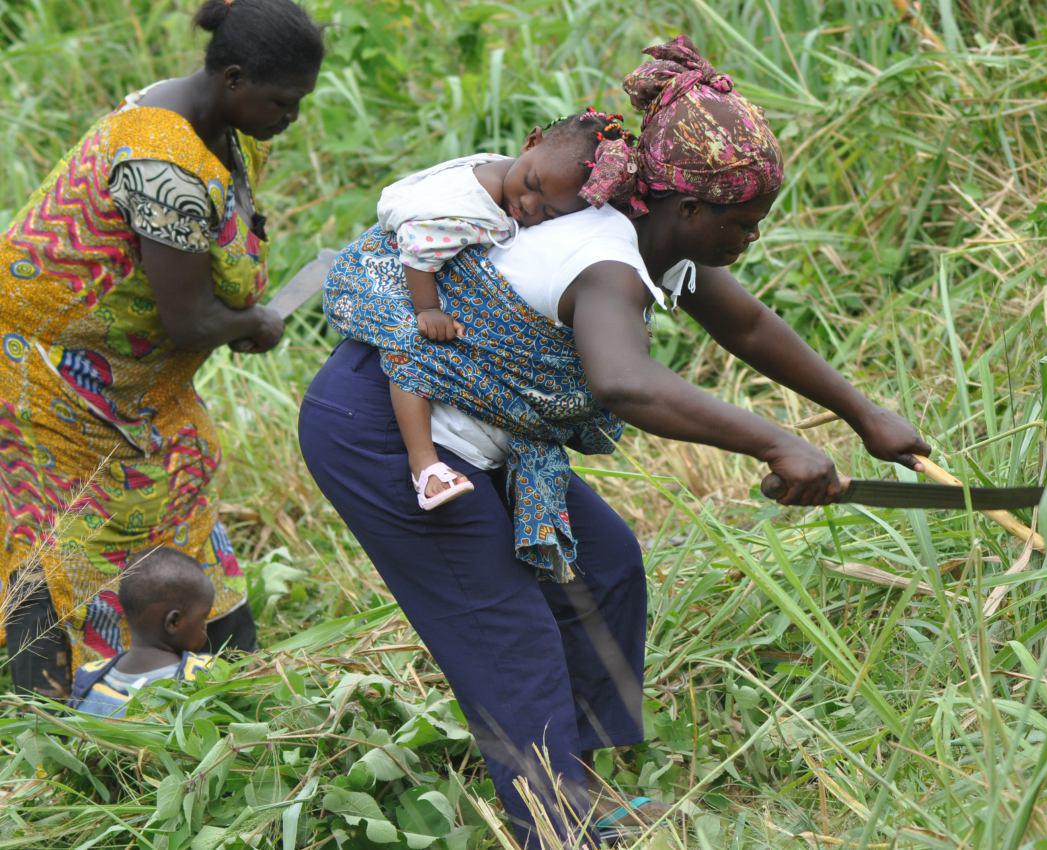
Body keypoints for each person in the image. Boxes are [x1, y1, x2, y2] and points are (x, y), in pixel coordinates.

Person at [299, 36, 930, 849]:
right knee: (506, 626)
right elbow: (624, 382)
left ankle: (580, 785)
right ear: (690, 211)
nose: (751, 241)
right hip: (386, 430)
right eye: (743, 226)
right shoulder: (601, 255)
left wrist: (863, 415)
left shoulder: (652, 233)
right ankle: (555, 828)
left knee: (602, 567)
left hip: (488, 430)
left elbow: (745, 321)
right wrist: (779, 443)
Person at [0, 0, 324, 700]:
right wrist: (255, 322)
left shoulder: (223, 130)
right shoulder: (163, 165)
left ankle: (211, 674)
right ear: (233, 79)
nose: (290, 118)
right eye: (282, 102)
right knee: (66, 532)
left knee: (183, 478)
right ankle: (50, 711)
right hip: (52, 378)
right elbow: (187, 318)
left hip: (136, 382)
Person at [372, 110, 641, 510]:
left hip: (424, 254)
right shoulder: (473, 209)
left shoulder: (503, 172)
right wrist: (427, 310)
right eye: (531, 184)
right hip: (408, 270)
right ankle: (425, 465)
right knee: (413, 355)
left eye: (549, 212)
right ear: (531, 142)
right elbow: (419, 246)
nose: (528, 206)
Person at [69, 548, 214, 717]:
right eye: (203, 618)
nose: (205, 627)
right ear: (174, 622)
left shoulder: (88, 678)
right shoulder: (202, 675)